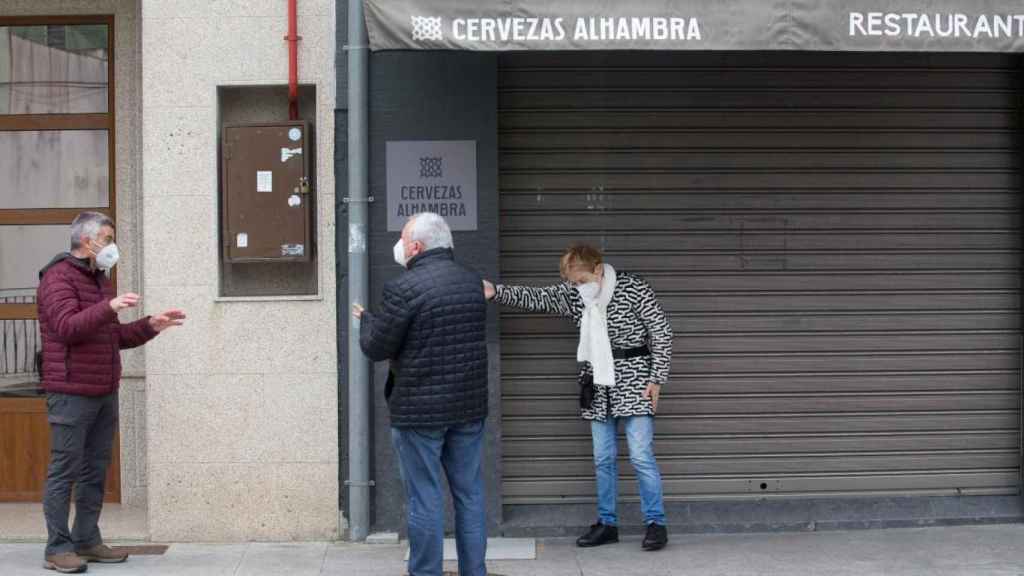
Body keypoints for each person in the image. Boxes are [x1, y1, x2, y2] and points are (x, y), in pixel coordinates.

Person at [484, 244, 673, 551]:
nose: (576, 287)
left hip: (635, 380)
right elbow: (541, 297)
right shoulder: (577, 295)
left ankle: (656, 524)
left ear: (598, 270)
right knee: (603, 459)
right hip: (597, 384)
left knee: (641, 456)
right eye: (572, 282)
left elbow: (661, 331)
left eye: (581, 280)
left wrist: (656, 380)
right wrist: (497, 292)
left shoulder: (633, 287)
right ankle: (607, 524)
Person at [36, 212, 185, 574]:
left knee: (95, 471)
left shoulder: (99, 280)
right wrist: (108, 308)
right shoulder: (57, 279)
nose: (111, 245)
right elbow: (67, 327)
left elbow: (110, 336)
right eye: (107, 237)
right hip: (70, 392)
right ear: (86, 242)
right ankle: (58, 548)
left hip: (103, 389)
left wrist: (150, 326)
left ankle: (86, 540)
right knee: (64, 470)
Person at [353, 212, 489, 576]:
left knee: (425, 498)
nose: (398, 245)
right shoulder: (471, 281)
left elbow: (378, 347)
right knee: (470, 495)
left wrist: (366, 320)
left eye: (402, 238)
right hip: (468, 407)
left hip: (419, 413)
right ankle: (474, 571)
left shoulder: (403, 288)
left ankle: (425, 572)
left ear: (416, 246)